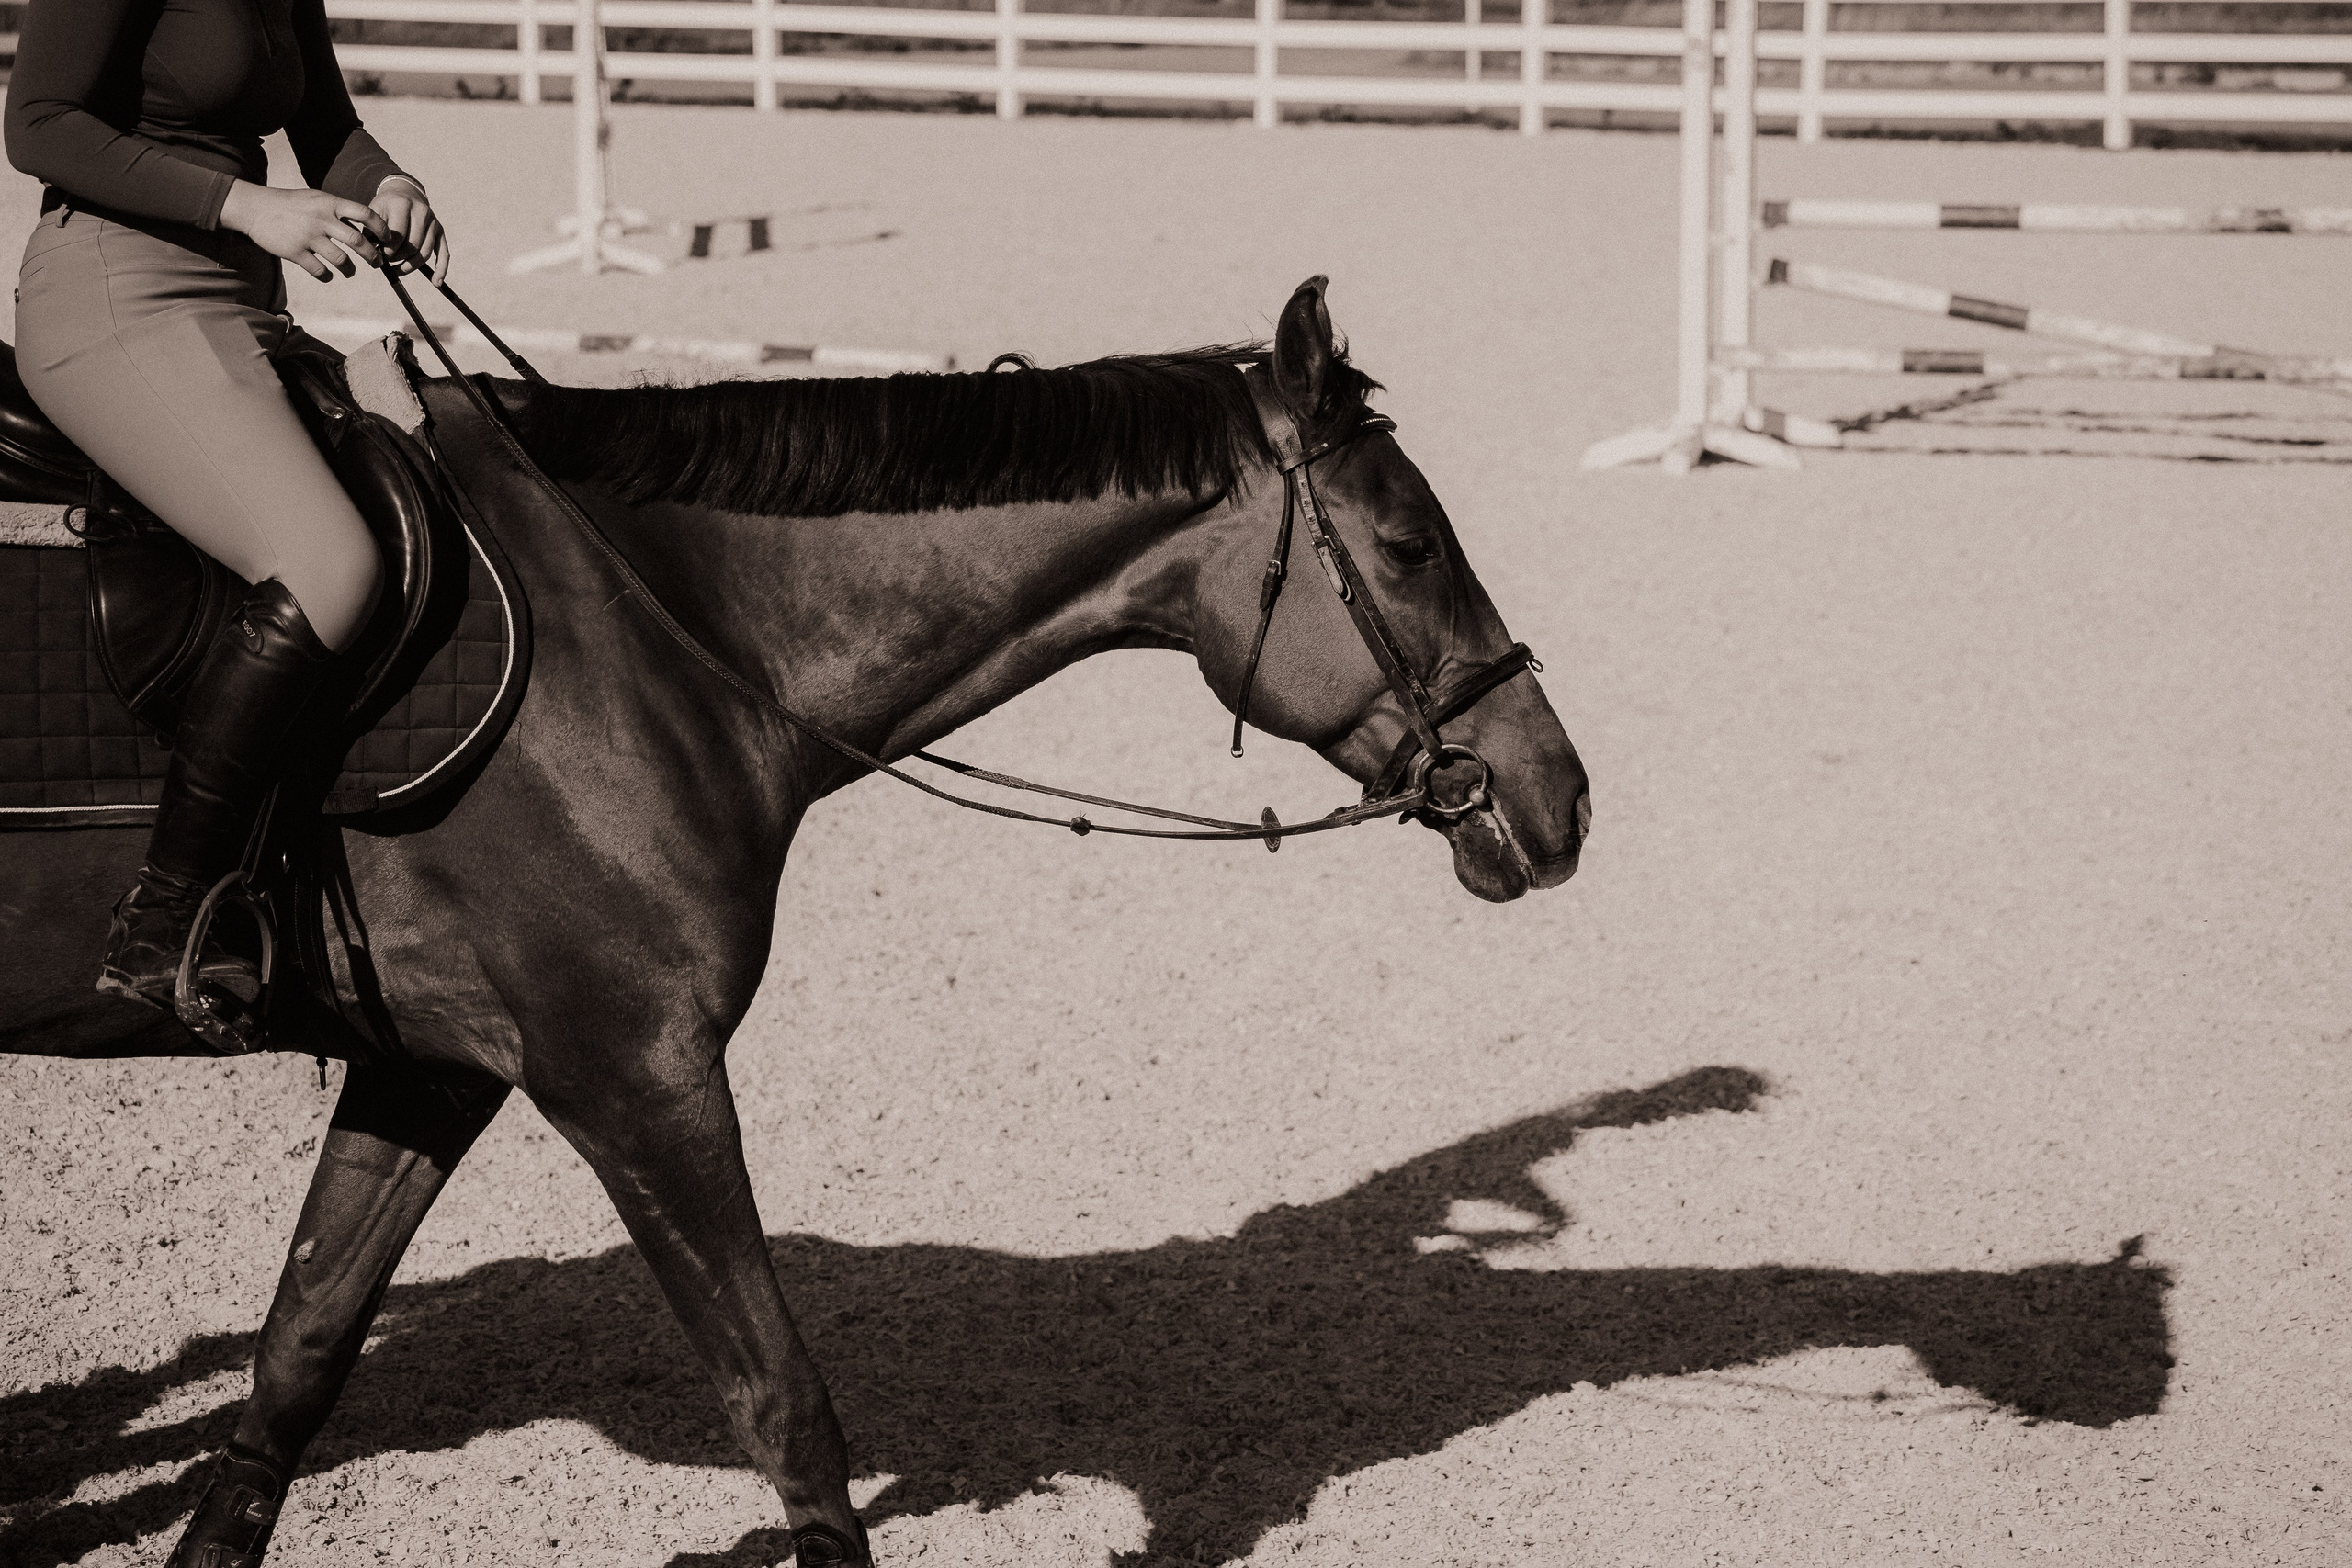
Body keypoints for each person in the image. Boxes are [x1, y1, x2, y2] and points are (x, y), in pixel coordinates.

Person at [6, 0, 451, 1032]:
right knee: (330, 563)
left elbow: (328, 127)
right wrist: (247, 206)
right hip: (116, 287)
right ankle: (167, 917)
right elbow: (38, 123)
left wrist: (390, 185)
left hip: (241, 301)